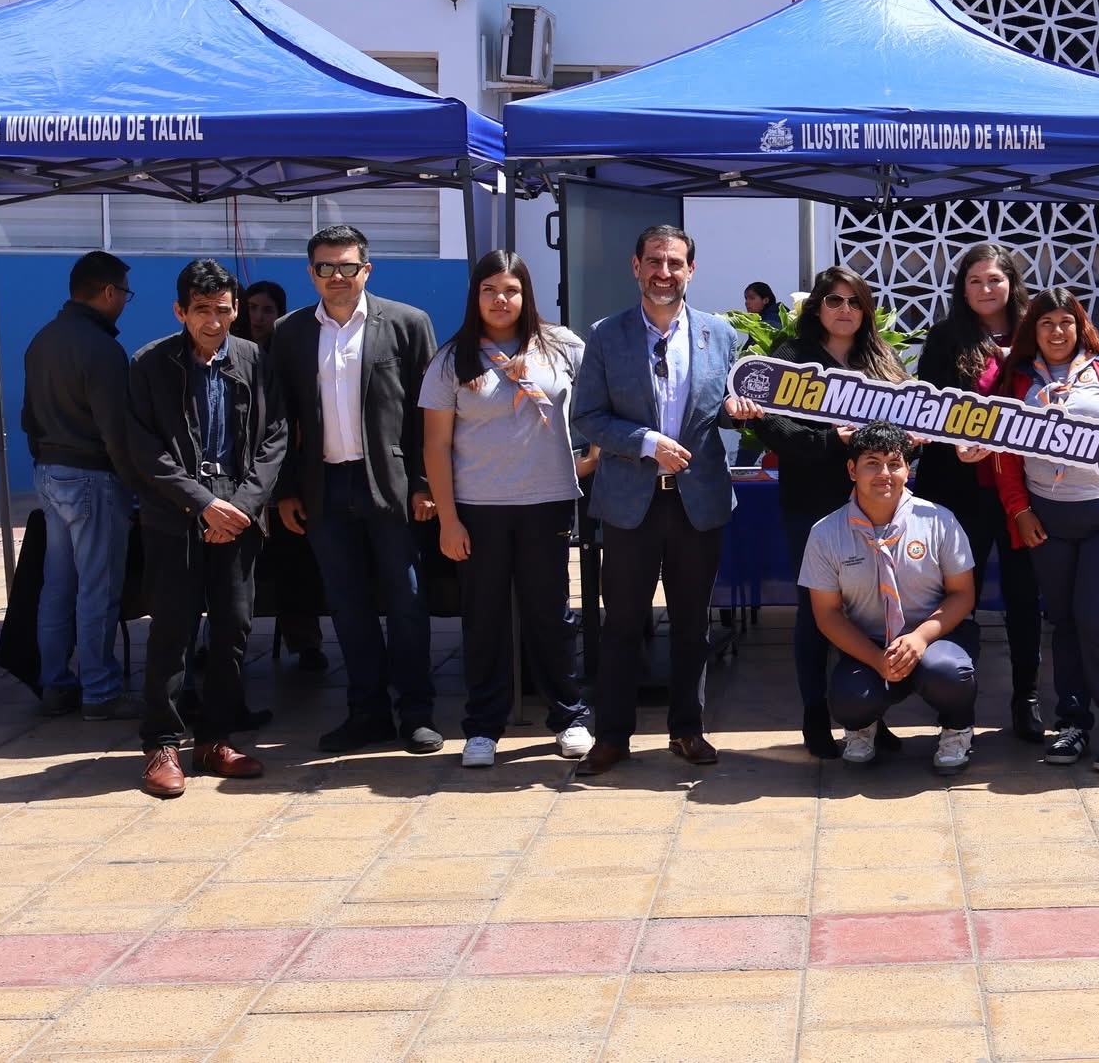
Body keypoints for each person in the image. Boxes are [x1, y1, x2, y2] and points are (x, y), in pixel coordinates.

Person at [571, 224, 755, 775]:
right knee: (622, 623)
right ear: (635, 266)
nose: (664, 273)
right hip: (631, 501)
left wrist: (738, 411)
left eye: (675, 263)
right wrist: (646, 444)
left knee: (692, 623)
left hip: (697, 503)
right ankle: (612, 736)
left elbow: (721, 407)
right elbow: (587, 418)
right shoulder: (606, 336)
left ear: (690, 271)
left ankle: (687, 729)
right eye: (654, 261)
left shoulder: (721, 336)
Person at [421, 250, 593, 769]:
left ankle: (570, 716)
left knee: (552, 615)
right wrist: (449, 520)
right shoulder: (453, 359)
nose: (501, 299)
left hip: (547, 502)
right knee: (485, 618)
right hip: (479, 508)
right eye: (490, 289)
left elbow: (602, 403)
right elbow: (435, 446)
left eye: (511, 290)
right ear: (476, 297)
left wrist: (592, 458)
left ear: (526, 294)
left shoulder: (561, 346)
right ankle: (483, 727)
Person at [273, 225, 441, 754]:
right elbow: (280, 419)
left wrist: (423, 482)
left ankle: (416, 712)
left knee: (407, 600)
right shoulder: (291, 331)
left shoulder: (408, 324)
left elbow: (428, 412)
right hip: (324, 487)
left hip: (390, 484)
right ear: (311, 274)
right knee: (346, 605)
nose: (337, 277)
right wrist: (285, 489)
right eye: (325, 267)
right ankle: (365, 712)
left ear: (366, 270)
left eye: (348, 266)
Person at [126, 259, 286, 798]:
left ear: (235, 309)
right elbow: (143, 450)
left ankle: (215, 738)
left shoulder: (255, 360)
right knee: (172, 630)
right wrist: (202, 505)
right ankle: (162, 744)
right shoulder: (150, 365)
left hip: (239, 517)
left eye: (222, 310)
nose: (214, 322)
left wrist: (239, 506)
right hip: (176, 517)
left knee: (234, 628)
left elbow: (275, 439)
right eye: (201, 311)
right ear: (180, 310)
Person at [995, 287, 1099, 772]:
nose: (1056, 331)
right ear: (1033, 329)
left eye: (1066, 322)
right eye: (1046, 323)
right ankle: (1071, 722)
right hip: (1047, 520)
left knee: (1098, 619)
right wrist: (1019, 510)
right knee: (1064, 621)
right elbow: (1004, 452)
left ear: (1080, 325)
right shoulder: (1017, 377)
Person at [754, 266, 909, 758]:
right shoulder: (792, 358)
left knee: (870, 612)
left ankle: (865, 718)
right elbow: (771, 430)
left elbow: (910, 434)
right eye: (834, 301)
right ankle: (815, 715)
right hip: (811, 508)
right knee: (816, 614)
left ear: (866, 310)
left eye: (854, 302)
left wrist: (915, 445)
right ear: (817, 308)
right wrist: (830, 442)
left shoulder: (882, 359)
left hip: (876, 508)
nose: (845, 310)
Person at [912, 243, 1045, 741]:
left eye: (994, 279)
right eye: (975, 281)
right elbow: (928, 407)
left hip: (1024, 492)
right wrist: (957, 442)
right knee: (954, 594)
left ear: (1011, 283)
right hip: (959, 488)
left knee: (1023, 595)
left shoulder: (1038, 335)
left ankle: (1025, 699)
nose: (986, 289)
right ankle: (955, 705)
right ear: (961, 289)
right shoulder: (946, 337)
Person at [800, 421, 979, 772]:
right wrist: (876, 658)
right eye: (872, 463)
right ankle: (862, 725)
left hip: (934, 637)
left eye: (894, 463)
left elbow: (962, 594)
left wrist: (919, 638)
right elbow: (828, 615)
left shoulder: (939, 520)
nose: (884, 473)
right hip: (870, 643)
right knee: (849, 699)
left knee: (949, 673)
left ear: (907, 469)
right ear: (852, 470)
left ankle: (958, 727)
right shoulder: (825, 533)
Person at [23, 250, 140, 721]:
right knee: (98, 588)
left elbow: (28, 417)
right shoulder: (101, 348)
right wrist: (135, 484)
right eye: (125, 294)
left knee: (58, 585)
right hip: (93, 476)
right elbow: (118, 430)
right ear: (108, 292)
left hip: (50, 471)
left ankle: (55, 684)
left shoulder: (42, 340)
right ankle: (100, 691)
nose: (126, 303)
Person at [232, 279, 327, 674]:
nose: (257, 317)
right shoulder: (231, 355)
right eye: (251, 308)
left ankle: (305, 644)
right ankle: (218, 648)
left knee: (295, 569)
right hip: (238, 482)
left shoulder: (292, 354)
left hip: (285, 481)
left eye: (267, 310)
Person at [232, 280, 286, 348]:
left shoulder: (289, 350)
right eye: (252, 307)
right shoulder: (229, 347)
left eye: (268, 310)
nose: (259, 317)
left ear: (279, 314)